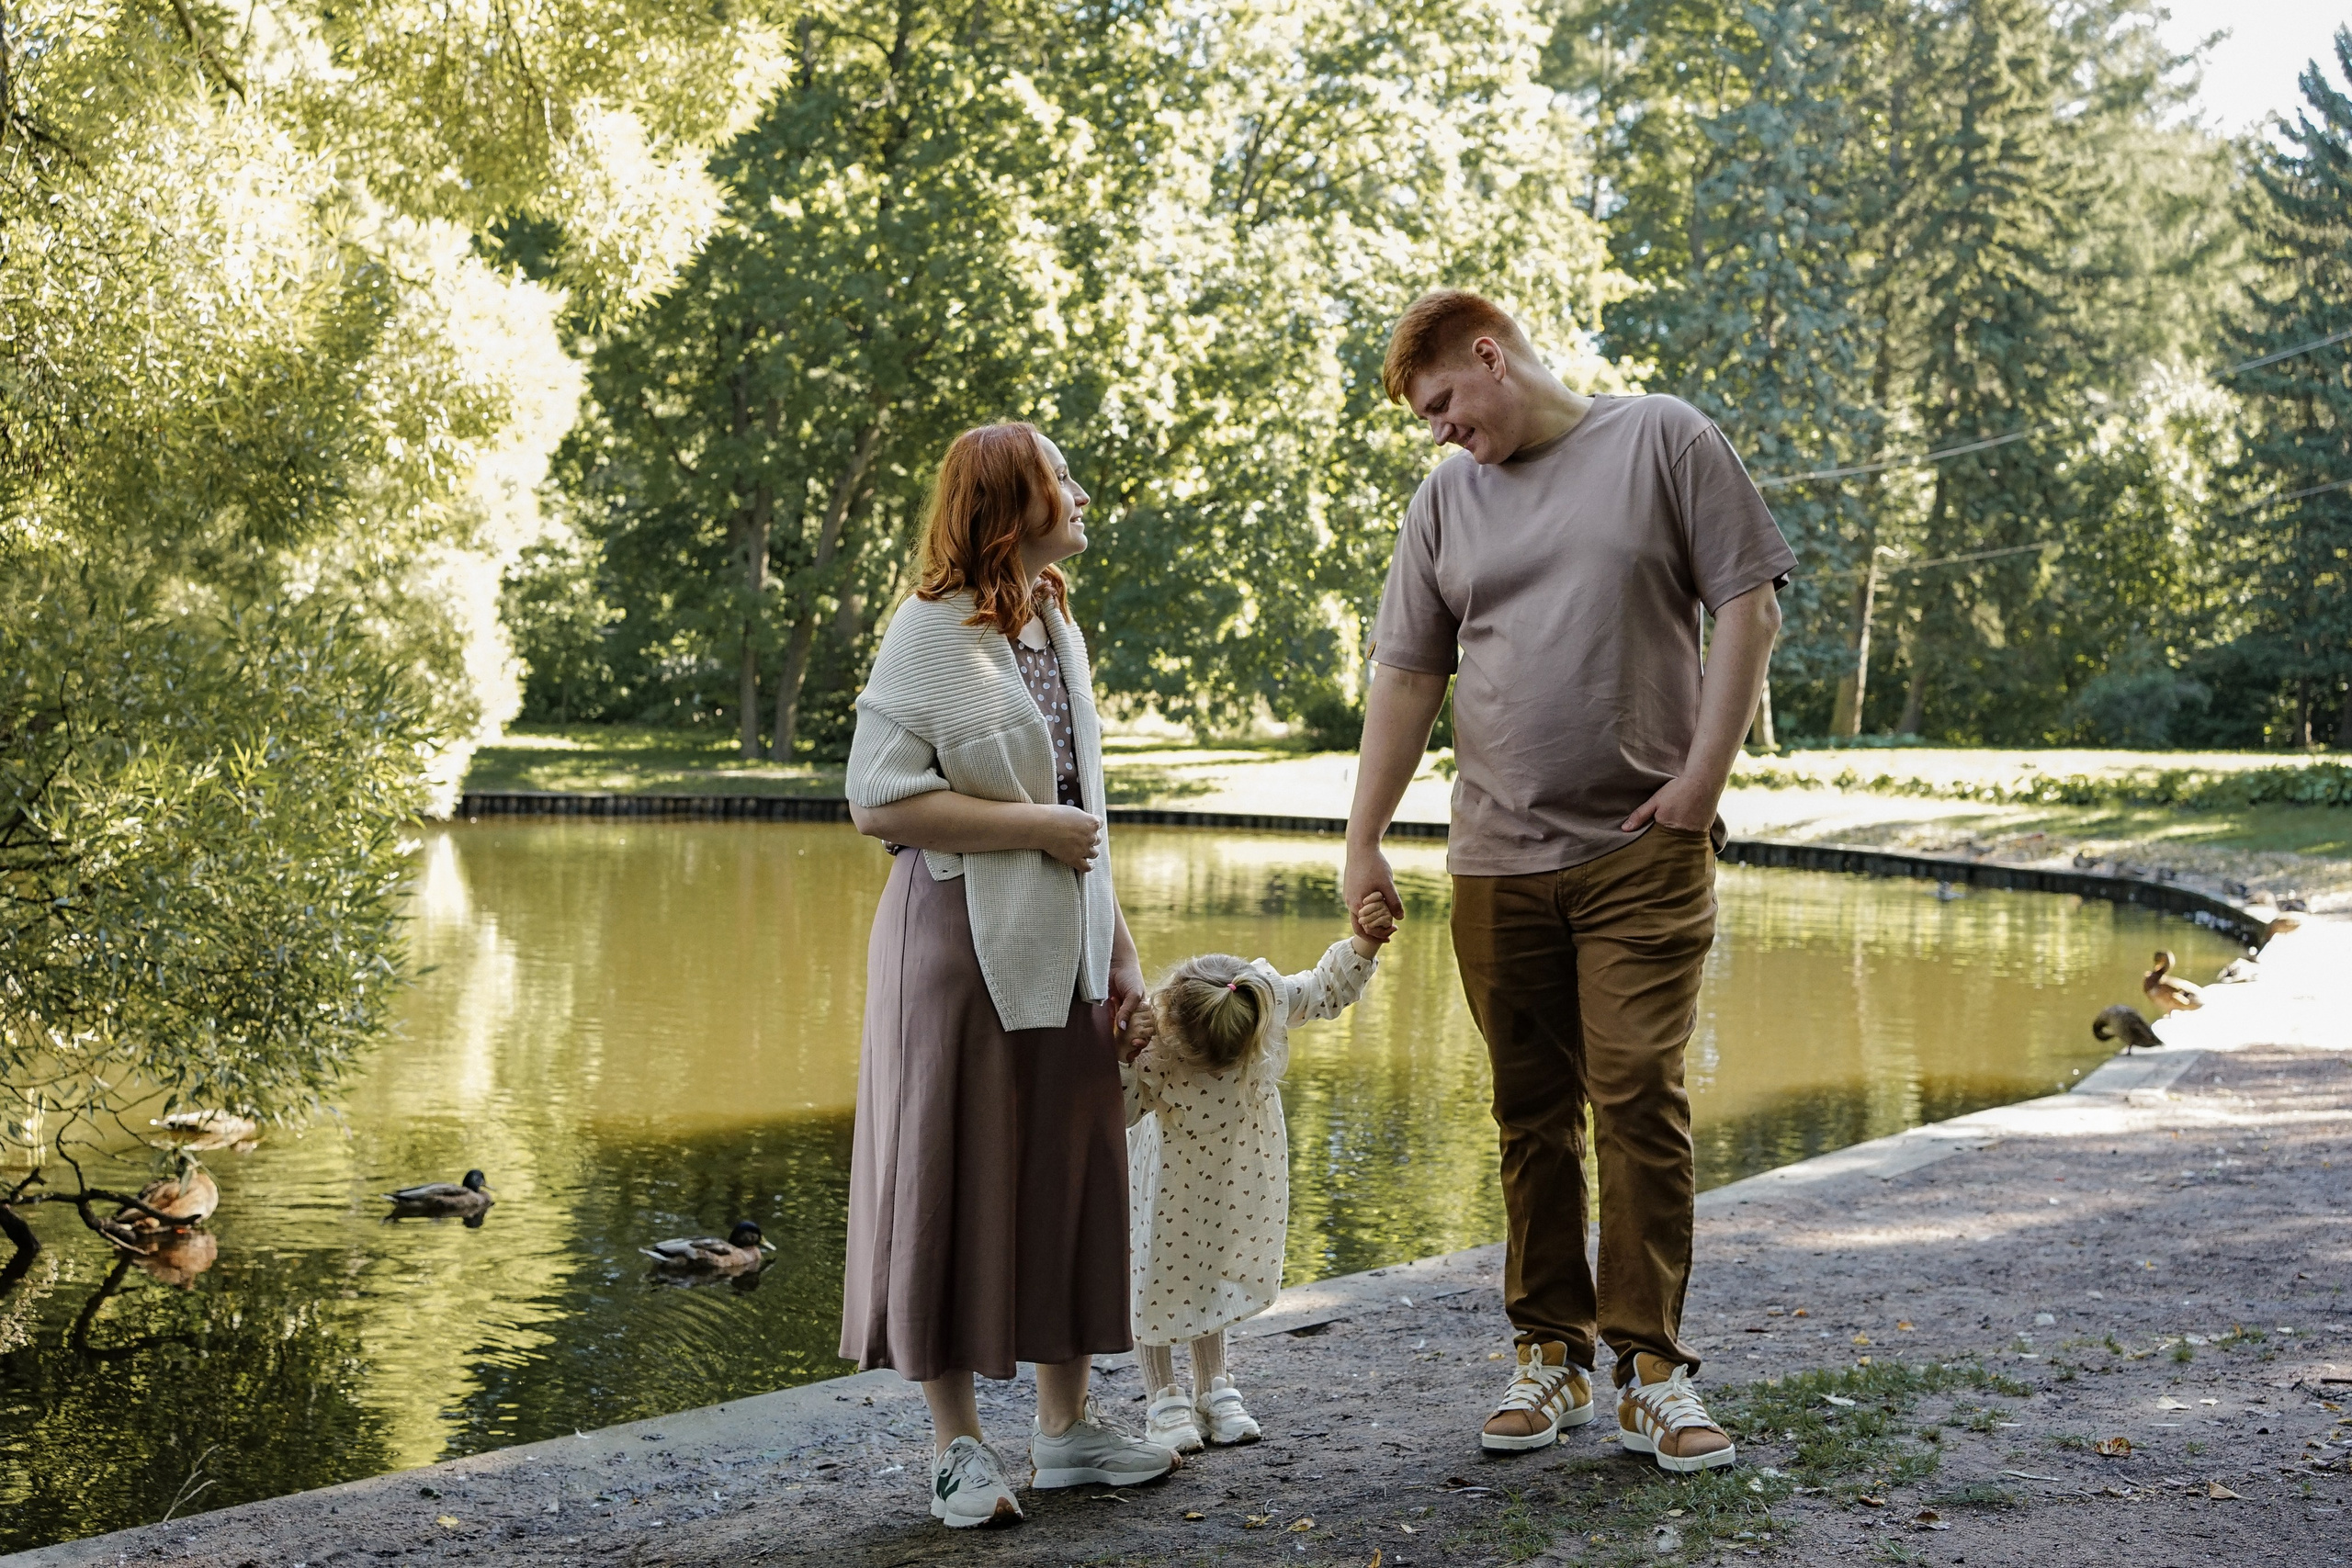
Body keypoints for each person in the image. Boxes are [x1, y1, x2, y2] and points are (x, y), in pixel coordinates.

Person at [1342, 289, 1792, 1473]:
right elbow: (1404, 678)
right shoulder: (1443, 500)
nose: (1440, 430)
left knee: (1637, 1095)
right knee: (1528, 1119)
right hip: (1495, 862)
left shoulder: (1662, 438)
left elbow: (1748, 604)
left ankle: (1650, 1369)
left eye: (1443, 402)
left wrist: (1701, 782)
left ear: (1490, 356)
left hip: (1639, 852)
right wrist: (1363, 837)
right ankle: (1551, 1355)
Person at [841, 421, 1177, 1530]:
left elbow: (1087, 813)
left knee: (1070, 1168)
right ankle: (957, 1454)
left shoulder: (1053, 623)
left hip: (1067, 946)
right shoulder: (930, 631)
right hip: (955, 948)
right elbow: (877, 801)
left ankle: (1067, 1432)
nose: (1079, 494)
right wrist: (1036, 827)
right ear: (1007, 503)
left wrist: (1120, 956)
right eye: (1059, 479)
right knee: (952, 1171)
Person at [1119, 890, 1399, 1453]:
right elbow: (1120, 1111)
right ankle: (1163, 1397)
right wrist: (1125, 1055)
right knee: (1158, 1275)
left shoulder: (1264, 1003)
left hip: (1233, 1183)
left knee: (1214, 1267)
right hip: (1166, 1192)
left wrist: (1366, 942)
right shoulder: (1157, 1048)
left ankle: (1213, 1386)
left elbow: (1326, 988)